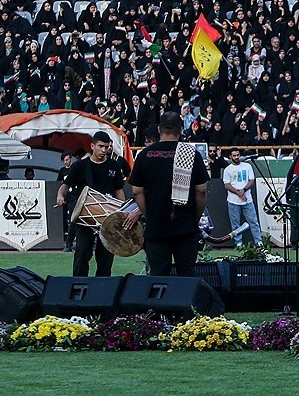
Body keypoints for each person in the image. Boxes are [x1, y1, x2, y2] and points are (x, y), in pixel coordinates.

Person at [124, 112, 211, 276]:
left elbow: (137, 191)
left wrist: (149, 214)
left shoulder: (145, 155)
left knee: (158, 278)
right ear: (181, 129)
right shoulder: (191, 154)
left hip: (156, 227)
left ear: (159, 129)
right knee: (187, 277)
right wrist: (194, 218)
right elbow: (201, 191)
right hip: (184, 226)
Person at [57, 131, 129, 276]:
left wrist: (120, 211)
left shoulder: (113, 165)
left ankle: (102, 287)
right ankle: (79, 284)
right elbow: (64, 186)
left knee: (106, 256)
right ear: (92, 146)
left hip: (107, 216)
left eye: (107, 147)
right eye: (101, 146)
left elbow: (119, 190)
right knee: (82, 252)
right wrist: (59, 196)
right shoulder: (80, 166)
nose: (104, 150)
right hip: (85, 216)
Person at [221, 148, 264, 249]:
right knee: (236, 224)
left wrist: (243, 190)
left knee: (253, 222)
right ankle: (238, 243)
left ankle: (258, 242)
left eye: (238, 155)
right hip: (233, 200)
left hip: (247, 199)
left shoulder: (247, 166)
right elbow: (226, 185)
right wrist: (238, 193)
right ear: (230, 157)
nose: (236, 157)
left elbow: (251, 181)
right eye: (234, 156)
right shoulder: (228, 169)